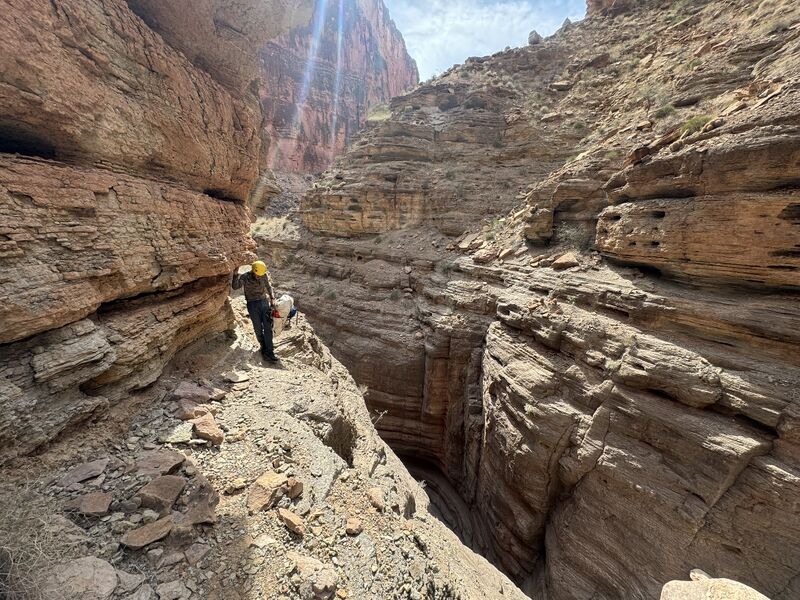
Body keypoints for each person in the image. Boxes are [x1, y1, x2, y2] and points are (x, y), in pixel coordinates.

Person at [232, 260, 279, 362]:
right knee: (258, 329)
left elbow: (268, 286)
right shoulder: (245, 277)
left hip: (264, 302)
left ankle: (269, 352)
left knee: (268, 328)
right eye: (257, 274)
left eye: (260, 275)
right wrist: (235, 274)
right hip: (252, 304)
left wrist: (272, 298)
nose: (259, 276)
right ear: (253, 271)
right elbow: (235, 287)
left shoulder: (263, 275)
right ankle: (263, 346)